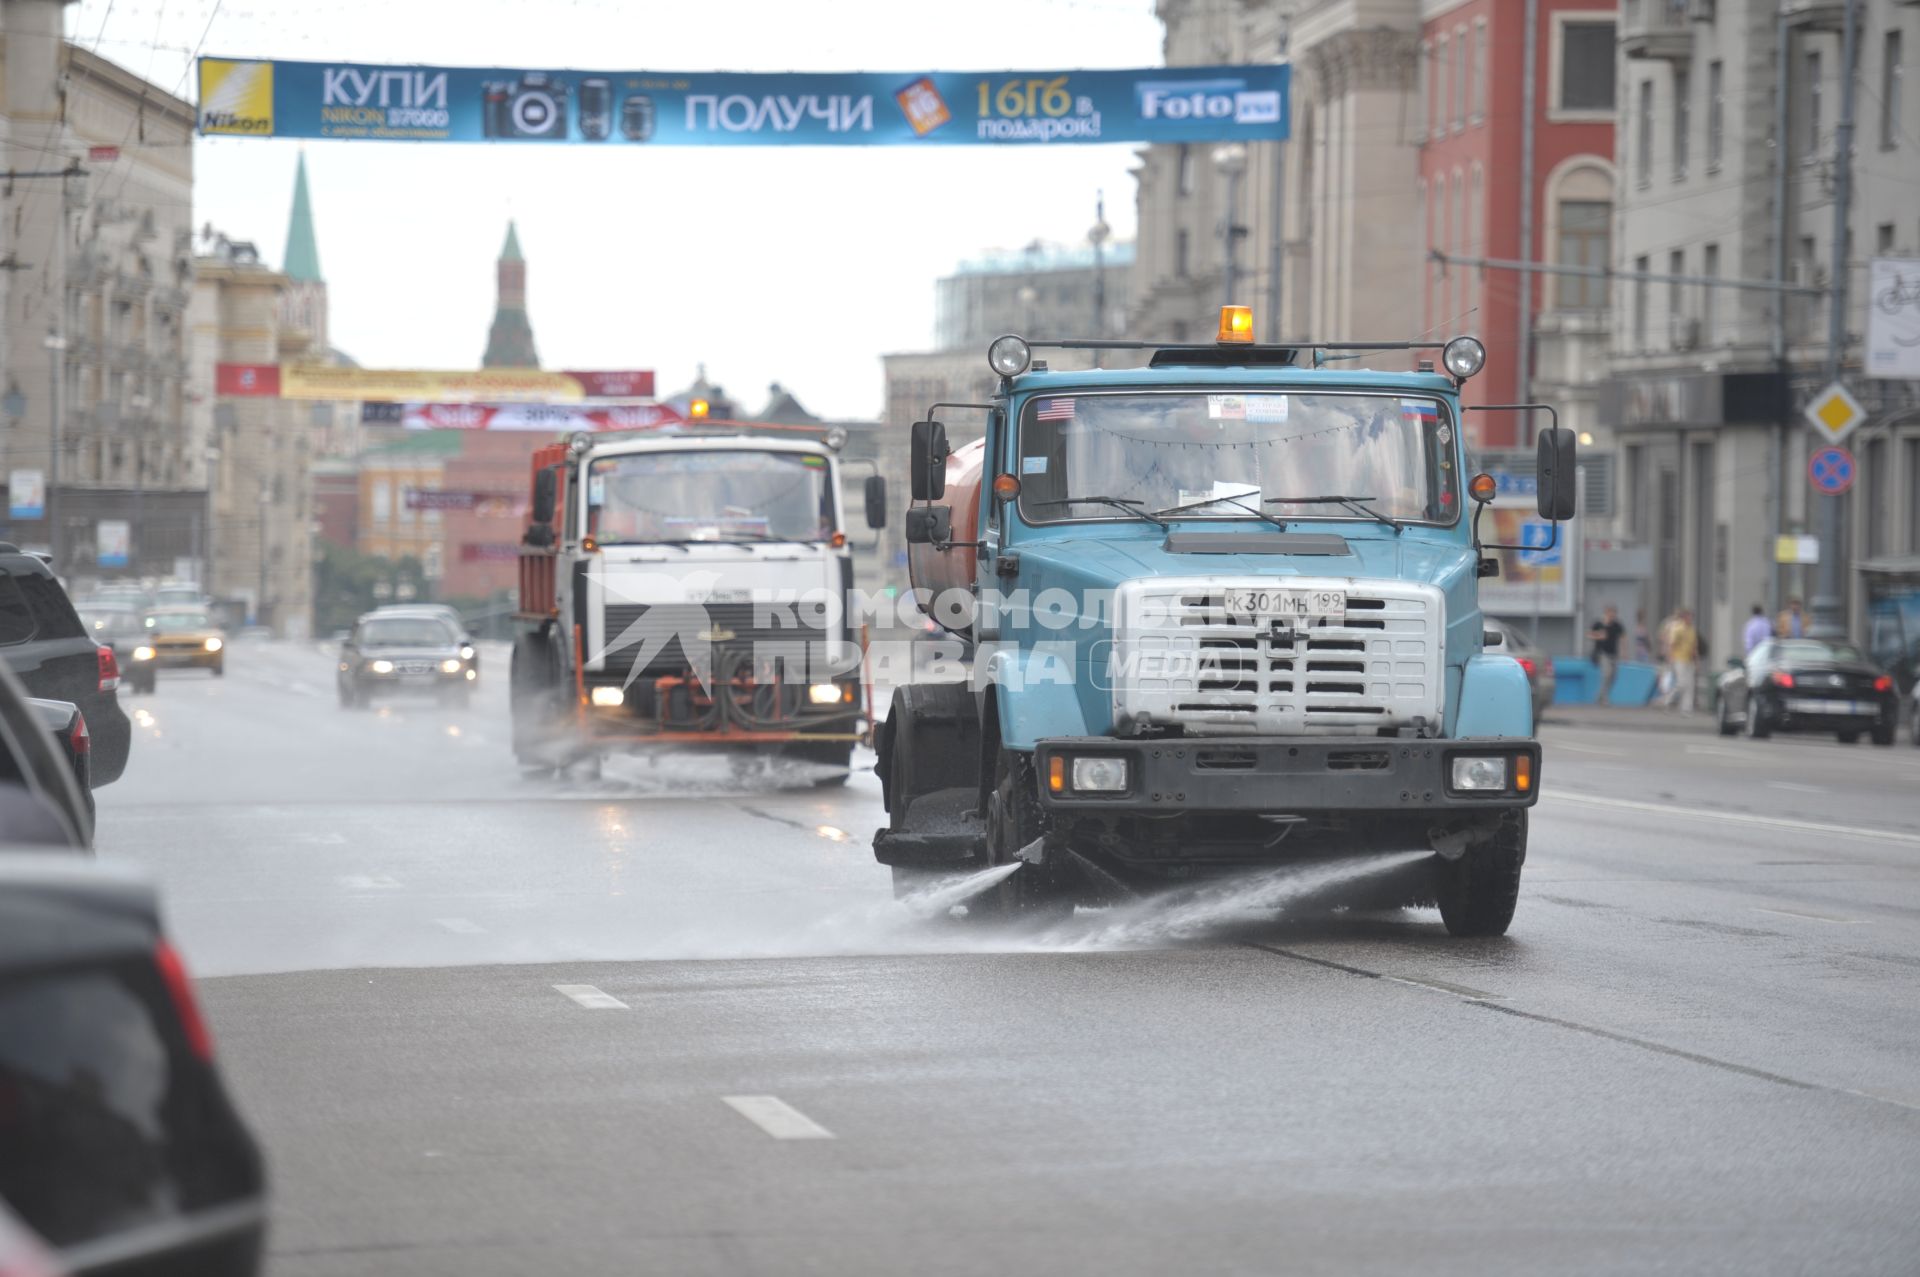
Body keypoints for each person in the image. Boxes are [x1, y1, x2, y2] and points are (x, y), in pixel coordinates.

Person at [1660, 608, 1700, 713]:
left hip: (1689, 659)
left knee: (1689, 684)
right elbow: (1672, 644)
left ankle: (1686, 708)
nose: (1690, 619)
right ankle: (1668, 699)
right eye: (1689, 617)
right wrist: (1670, 657)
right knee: (1681, 683)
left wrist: (1696, 660)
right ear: (1684, 618)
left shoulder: (1692, 630)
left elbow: (1694, 646)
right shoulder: (1678, 629)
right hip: (1679, 658)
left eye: (1692, 617)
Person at [1587, 604, 1625, 706]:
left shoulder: (1617, 625)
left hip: (1614, 654)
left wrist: (1624, 652)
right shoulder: (1598, 624)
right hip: (1602, 653)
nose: (1612, 616)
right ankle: (1604, 699)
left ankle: (1600, 696)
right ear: (1606, 613)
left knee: (1613, 677)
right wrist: (1599, 635)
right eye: (1610, 613)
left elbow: (1622, 638)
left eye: (1614, 614)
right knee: (1607, 674)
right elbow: (1589, 634)